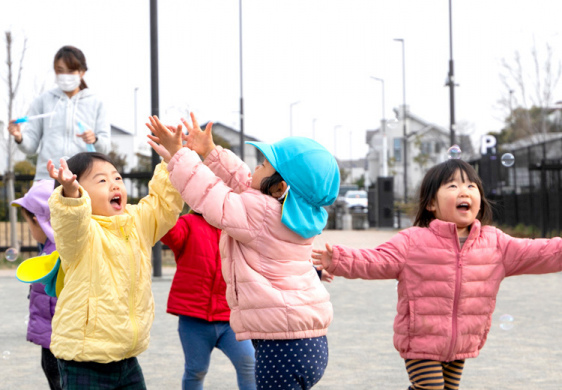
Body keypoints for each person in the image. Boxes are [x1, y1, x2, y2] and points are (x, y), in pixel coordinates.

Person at [311, 158, 562, 390]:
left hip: (461, 343)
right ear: (431, 203)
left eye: (471, 186)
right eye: (452, 186)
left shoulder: (496, 243)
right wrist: (340, 259)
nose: (464, 191)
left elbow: (541, 252)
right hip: (421, 340)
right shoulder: (413, 241)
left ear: (480, 199)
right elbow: (378, 260)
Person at [146, 113, 339, 390]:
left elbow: (210, 194)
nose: (253, 170)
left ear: (280, 187)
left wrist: (179, 155)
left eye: (262, 165)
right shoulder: (295, 216)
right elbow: (248, 185)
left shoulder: (259, 214)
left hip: (280, 348)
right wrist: (211, 153)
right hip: (311, 342)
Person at [45, 151, 183, 390]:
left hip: (126, 357)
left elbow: (164, 205)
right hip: (84, 359)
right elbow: (70, 220)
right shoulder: (81, 234)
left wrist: (173, 161)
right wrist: (71, 194)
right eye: (101, 180)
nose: (114, 185)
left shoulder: (136, 222)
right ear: (82, 192)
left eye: (117, 178)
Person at [161, 210, 256, 390]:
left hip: (230, 320)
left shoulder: (237, 227)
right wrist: (168, 200)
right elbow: (167, 231)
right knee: (196, 371)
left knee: (249, 364)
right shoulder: (187, 223)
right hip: (193, 319)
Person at [8, 45, 110, 180]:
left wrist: (95, 139)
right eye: (60, 71)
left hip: (82, 178)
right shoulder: (43, 101)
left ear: (82, 72)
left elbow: (105, 148)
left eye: (71, 71)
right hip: (47, 178)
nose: (65, 76)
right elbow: (30, 146)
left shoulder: (96, 103)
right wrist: (19, 137)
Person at [11, 180, 61, 390]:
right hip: (55, 339)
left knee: (59, 381)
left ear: (39, 221)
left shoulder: (54, 255)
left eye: (29, 224)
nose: (31, 231)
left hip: (57, 342)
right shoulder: (56, 248)